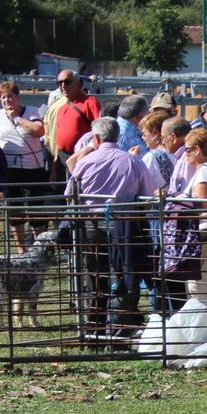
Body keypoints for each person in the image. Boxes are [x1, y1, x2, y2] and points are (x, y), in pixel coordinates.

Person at [65, 117, 163, 338]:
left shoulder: (86, 162)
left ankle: (95, 329)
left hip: (90, 227)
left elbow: (70, 193)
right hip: (124, 226)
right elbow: (148, 195)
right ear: (118, 136)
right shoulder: (132, 161)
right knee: (123, 273)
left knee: (94, 276)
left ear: (96, 138)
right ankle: (119, 329)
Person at [159, 129, 207, 311]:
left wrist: (175, 198)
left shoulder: (204, 172)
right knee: (201, 284)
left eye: (187, 149)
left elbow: (201, 206)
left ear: (198, 149)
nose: (185, 154)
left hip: (206, 235)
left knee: (200, 286)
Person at [0, 80, 49, 251]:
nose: (6, 100)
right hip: (9, 169)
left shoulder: (30, 112)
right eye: (3, 97)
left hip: (32, 168)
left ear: (17, 97)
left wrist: (17, 119)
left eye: (10, 96)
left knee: (36, 210)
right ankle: (21, 249)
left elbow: (39, 130)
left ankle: (39, 248)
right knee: (15, 211)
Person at [44, 71, 100, 182]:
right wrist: (54, 169)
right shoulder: (62, 107)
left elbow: (100, 131)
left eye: (67, 82)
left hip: (80, 159)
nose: (63, 86)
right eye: (59, 83)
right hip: (61, 159)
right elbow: (59, 143)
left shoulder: (90, 103)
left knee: (77, 195)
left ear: (78, 84)